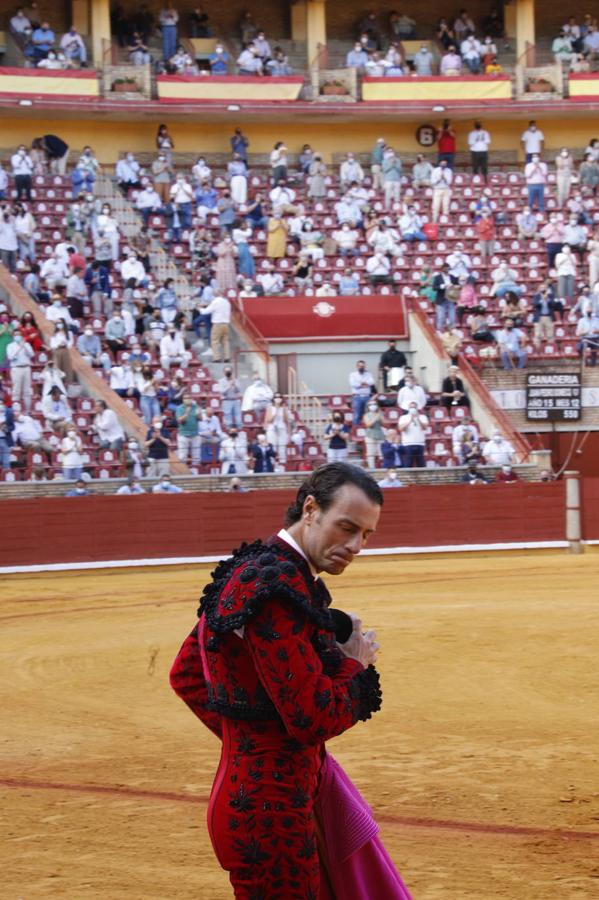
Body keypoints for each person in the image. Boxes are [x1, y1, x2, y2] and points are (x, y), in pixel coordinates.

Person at [170, 463, 410, 898]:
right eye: (346, 527)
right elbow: (313, 719)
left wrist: (251, 739)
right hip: (271, 813)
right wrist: (353, 664)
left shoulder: (258, 570)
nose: (355, 545)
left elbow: (186, 674)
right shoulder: (277, 585)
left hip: (263, 796)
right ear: (311, 508)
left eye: (366, 535)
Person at [264, 392, 292, 464]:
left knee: (282, 447)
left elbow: (286, 420)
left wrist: (283, 409)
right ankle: (272, 463)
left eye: (279, 397)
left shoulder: (284, 408)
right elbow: (269, 420)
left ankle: (282, 463)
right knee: (273, 447)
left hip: (281, 429)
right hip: (272, 429)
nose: (278, 399)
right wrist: (276, 410)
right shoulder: (270, 408)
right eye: (276, 397)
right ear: (273, 399)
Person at [398, 402, 428, 468]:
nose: (412, 409)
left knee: (421, 463)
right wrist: (410, 420)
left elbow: (425, 427)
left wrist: (418, 419)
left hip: (420, 443)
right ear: (408, 409)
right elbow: (401, 429)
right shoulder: (403, 417)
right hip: (407, 443)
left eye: (414, 407)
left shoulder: (423, 417)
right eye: (411, 407)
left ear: (417, 408)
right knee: (408, 463)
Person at [349, 360, 375, 425]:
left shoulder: (368, 374)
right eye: (360, 366)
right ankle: (356, 431)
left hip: (367, 397)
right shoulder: (353, 374)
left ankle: (367, 432)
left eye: (363, 366)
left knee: (368, 415)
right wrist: (365, 384)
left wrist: (359, 384)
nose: (361, 367)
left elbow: (372, 382)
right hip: (357, 397)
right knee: (357, 415)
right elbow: (353, 384)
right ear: (357, 366)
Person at [362, 399, 384, 468]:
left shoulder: (380, 414)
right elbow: (368, 425)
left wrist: (381, 416)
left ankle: (383, 467)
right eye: (371, 404)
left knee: (381, 454)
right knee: (371, 454)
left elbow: (384, 423)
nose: (373, 406)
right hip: (370, 436)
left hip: (380, 435)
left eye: (374, 404)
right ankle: (372, 469)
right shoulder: (366, 415)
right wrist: (376, 417)